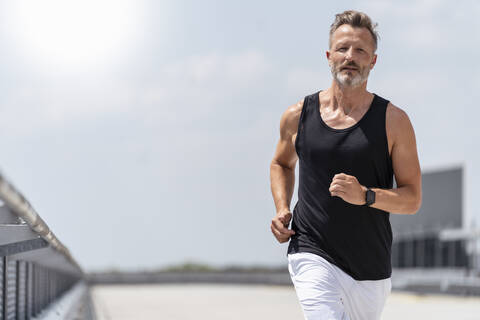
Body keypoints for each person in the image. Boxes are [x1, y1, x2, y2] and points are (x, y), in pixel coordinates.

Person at [269, 10, 422, 320]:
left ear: (373, 60)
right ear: (329, 56)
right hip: (310, 250)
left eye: (360, 50)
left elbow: (412, 198)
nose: (350, 56)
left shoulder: (394, 121)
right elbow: (281, 164)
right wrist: (282, 207)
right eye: (342, 48)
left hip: (370, 269)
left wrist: (366, 195)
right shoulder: (297, 116)